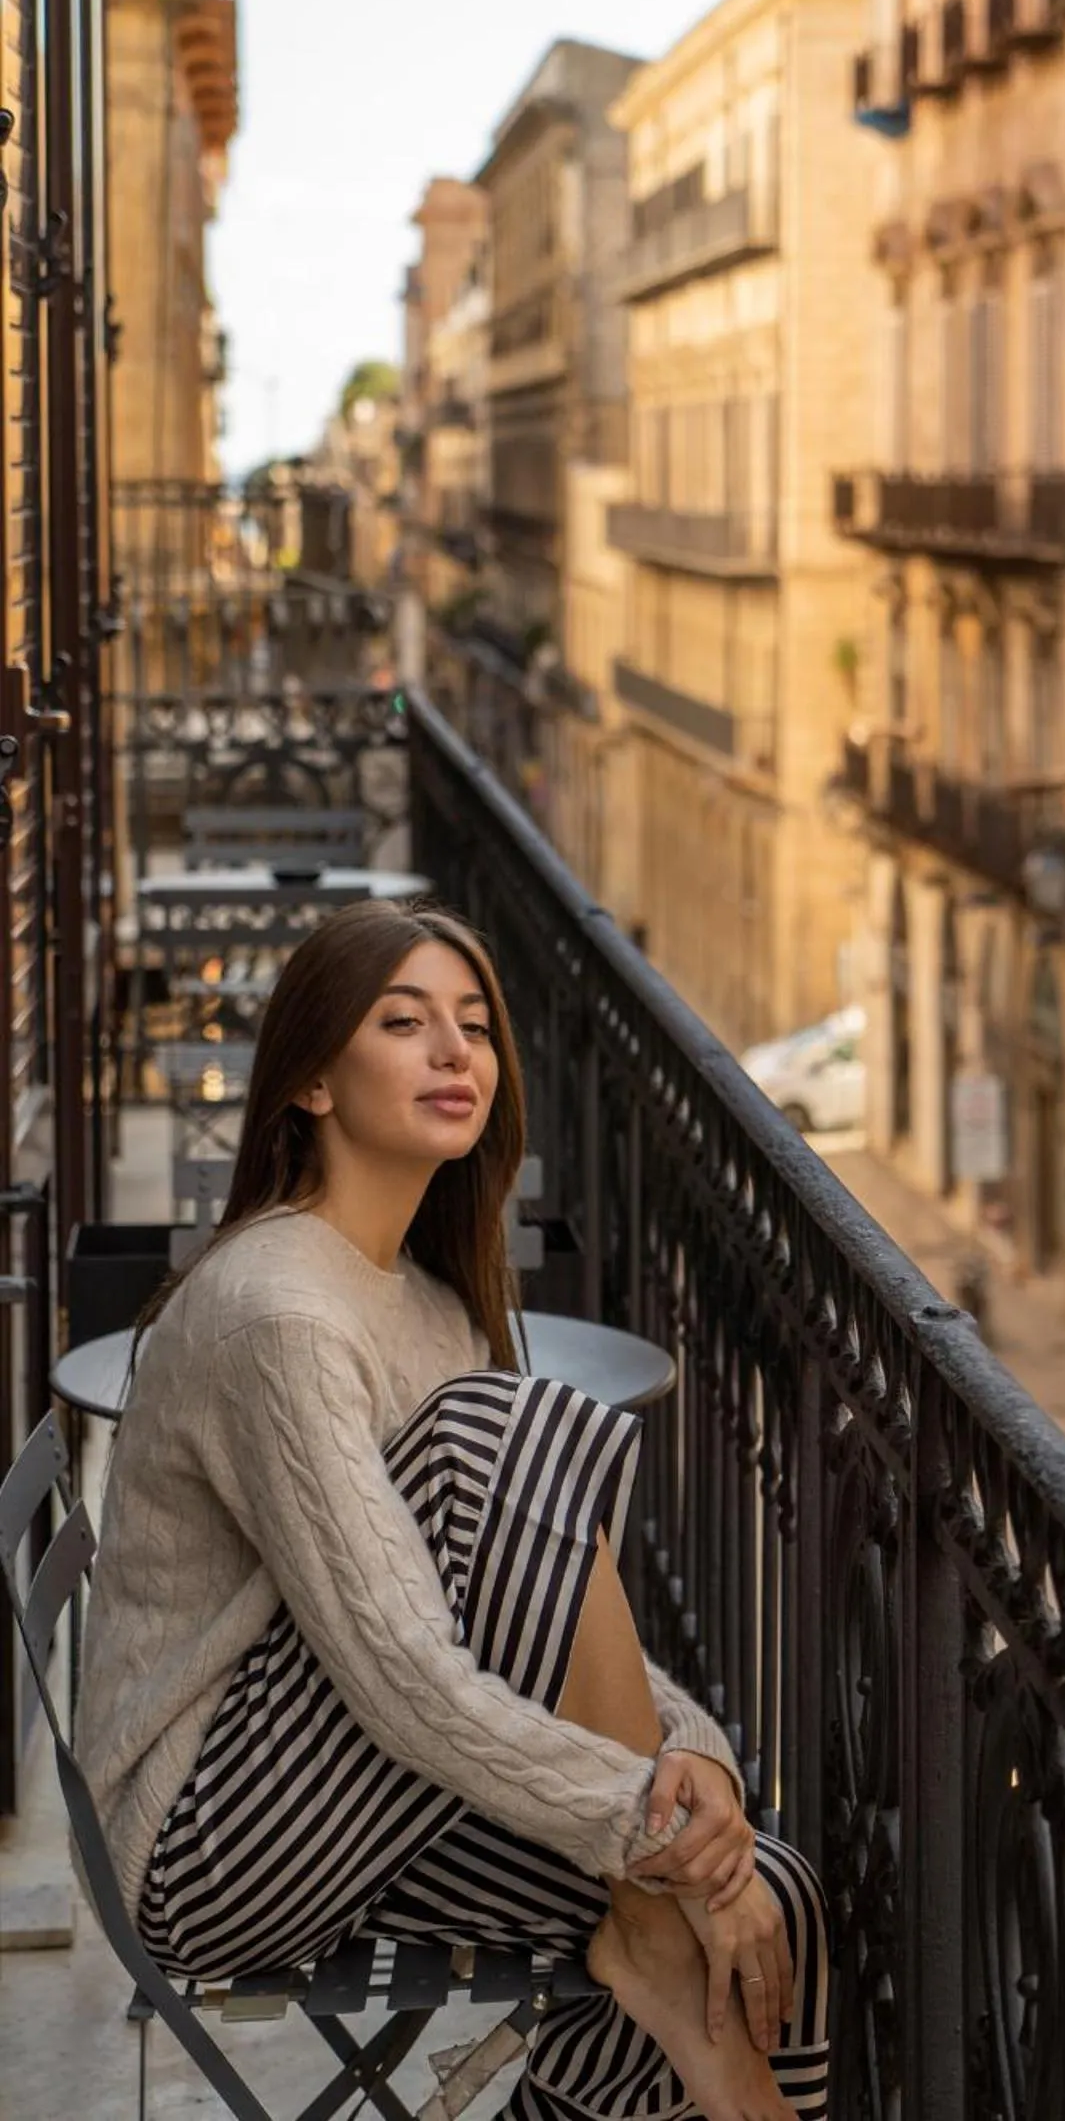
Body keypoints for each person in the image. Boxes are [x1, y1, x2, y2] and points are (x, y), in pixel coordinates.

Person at [75, 900, 830, 2121]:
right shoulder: (280, 1312)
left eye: (473, 1027)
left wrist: (694, 1771)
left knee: (774, 1898)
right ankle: (651, 1940)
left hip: (339, 1792)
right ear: (312, 1081)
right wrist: (647, 1838)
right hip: (206, 1852)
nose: (453, 1053)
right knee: (512, 1431)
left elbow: (561, 1615)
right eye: (403, 1022)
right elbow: (408, 1679)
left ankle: (642, 1976)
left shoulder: (428, 1301)